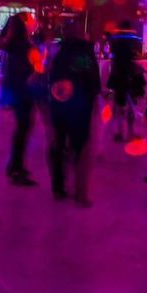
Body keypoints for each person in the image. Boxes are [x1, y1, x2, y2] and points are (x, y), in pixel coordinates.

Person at [48, 22, 101, 206]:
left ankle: (58, 188)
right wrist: (94, 99)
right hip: (80, 105)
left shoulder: (58, 52)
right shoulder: (85, 52)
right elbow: (93, 79)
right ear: (80, 34)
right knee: (80, 148)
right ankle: (80, 193)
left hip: (59, 104)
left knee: (59, 145)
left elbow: (51, 76)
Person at [1, 13, 38, 186]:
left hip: (16, 91)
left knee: (21, 129)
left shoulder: (13, 44)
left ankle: (14, 166)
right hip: (24, 92)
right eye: (30, 21)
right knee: (23, 130)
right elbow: (30, 71)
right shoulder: (24, 46)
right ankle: (16, 169)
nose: (33, 24)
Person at [107, 20, 143, 141]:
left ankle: (119, 132)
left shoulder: (115, 40)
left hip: (118, 75)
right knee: (132, 104)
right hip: (131, 76)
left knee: (119, 104)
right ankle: (130, 132)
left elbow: (113, 56)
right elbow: (135, 57)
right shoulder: (133, 40)